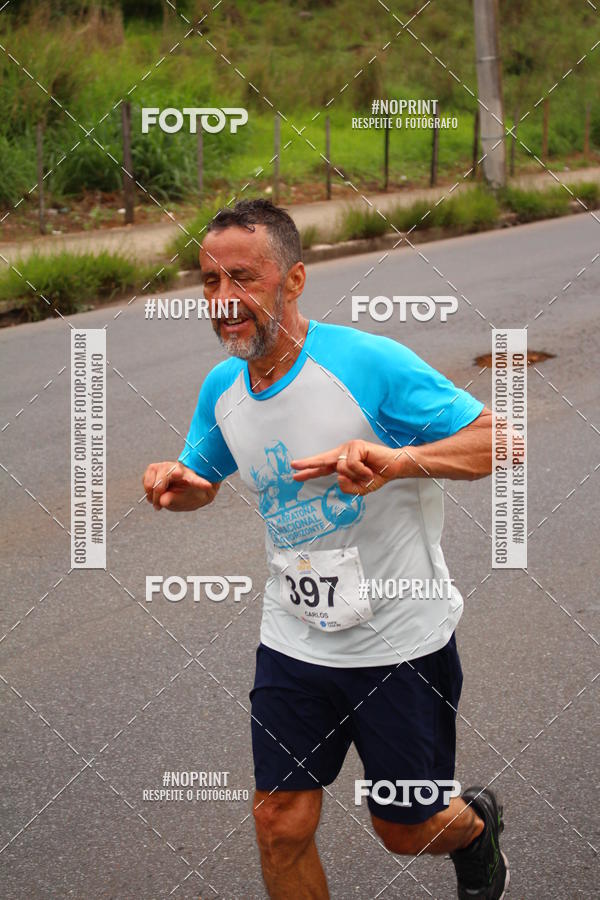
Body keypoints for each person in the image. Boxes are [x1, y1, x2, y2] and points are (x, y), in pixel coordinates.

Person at [142, 199, 509, 900]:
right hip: (294, 637)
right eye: (210, 284)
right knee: (279, 821)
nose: (223, 303)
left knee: (406, 829)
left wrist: (396, 461)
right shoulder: (223, 387)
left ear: (295, 279)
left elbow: (497, 440)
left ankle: (476, 827)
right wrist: (174, 482)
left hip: (399, 640)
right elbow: (201, 481)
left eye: (242, 279)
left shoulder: (366, 363)